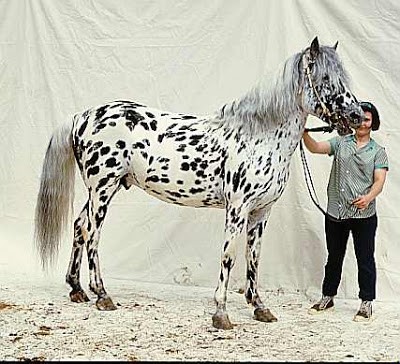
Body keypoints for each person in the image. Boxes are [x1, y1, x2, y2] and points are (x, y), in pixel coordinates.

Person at [303, 101, 389, 322]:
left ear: (373, 123)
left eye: (367, 119)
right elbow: (315, 148)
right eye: (359, 118)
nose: (362, 122)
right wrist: (303, 132)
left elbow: (379, 181)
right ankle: (328, 296)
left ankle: (366, 302)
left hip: (364, 215)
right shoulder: (341, 142)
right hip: (336, 212)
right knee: (334, 257)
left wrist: (368, 197)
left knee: (365, 259)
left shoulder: (378, 152)